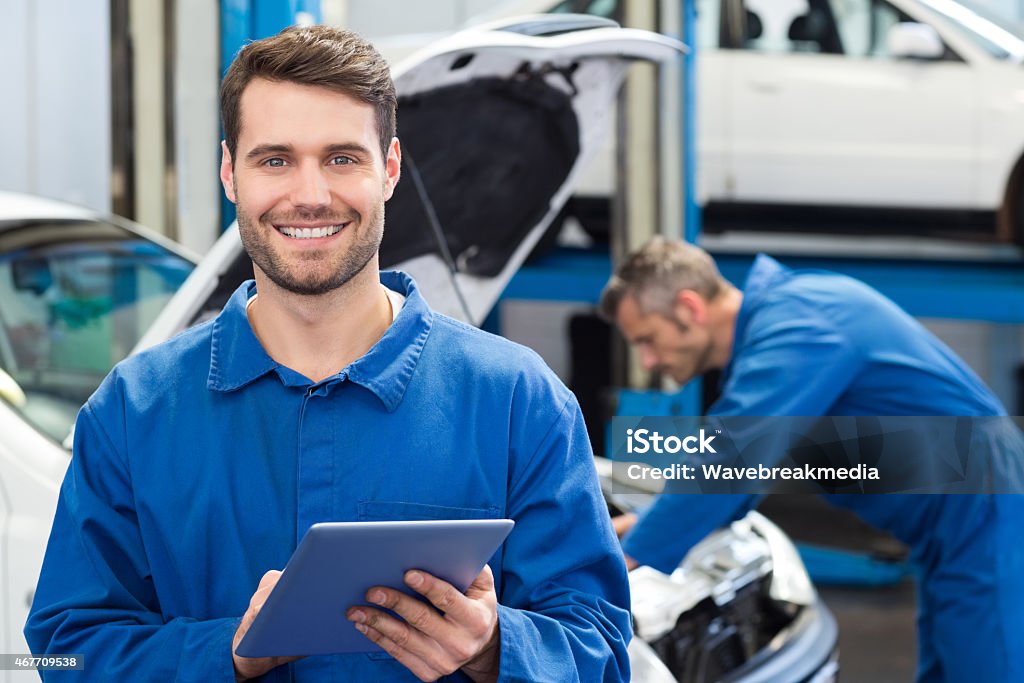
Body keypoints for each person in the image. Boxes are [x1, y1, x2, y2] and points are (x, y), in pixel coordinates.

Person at [25, 26, 631, 682]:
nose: (310, 194)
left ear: (390, 167)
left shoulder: (518, 402)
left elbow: (599, 647)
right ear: (231, 172)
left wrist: (494, 647)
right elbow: (66, 650)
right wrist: (228, 650)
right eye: (275, 159)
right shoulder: (132, 411)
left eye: (342, 158)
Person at [601, 236, 1024, 683]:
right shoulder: (789, 319)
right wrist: (647, 519)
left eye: (647, 340)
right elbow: (750, 466)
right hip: (956, 523)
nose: (648, 360)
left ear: (689, 308)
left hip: (982, 507)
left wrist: (624, 556)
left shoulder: (800, 326)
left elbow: (736, 456)